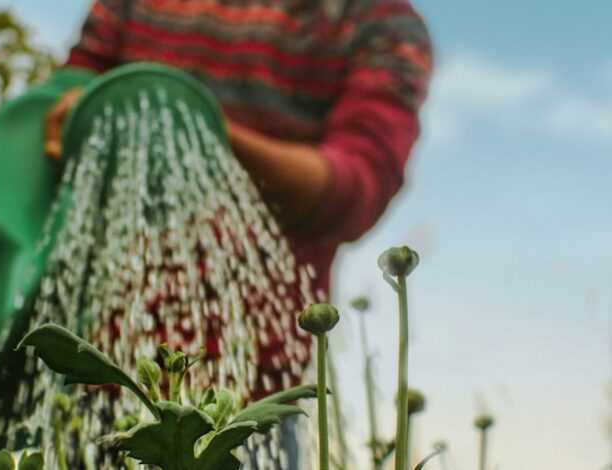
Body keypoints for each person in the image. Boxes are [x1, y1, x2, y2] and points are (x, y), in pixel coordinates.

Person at [44, 0, 432, 467]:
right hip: (95, 368)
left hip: (247, 403)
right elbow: (72, 88)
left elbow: (354, 190)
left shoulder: (373, 23)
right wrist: (65, 111)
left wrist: (201, 132)